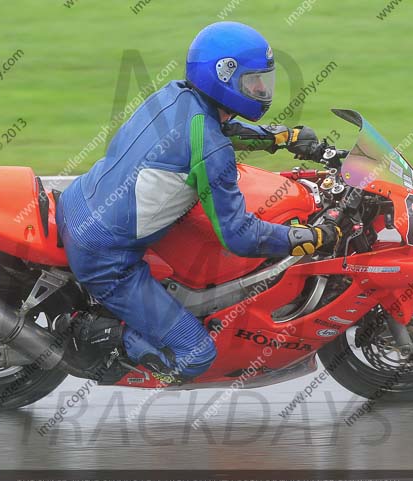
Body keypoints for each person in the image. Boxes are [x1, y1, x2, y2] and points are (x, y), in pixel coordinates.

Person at [55, 21, 341, 384]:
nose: (261, 90)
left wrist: (279, 138)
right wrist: (303, 238)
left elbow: (212, 129)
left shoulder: (172, 95)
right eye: (252, 82)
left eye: (263, 81)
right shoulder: (212, 149)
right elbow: (238, 235)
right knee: (196, 354)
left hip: (78, 201)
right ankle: (91, 336)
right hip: (105, 258)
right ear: (224, 76)